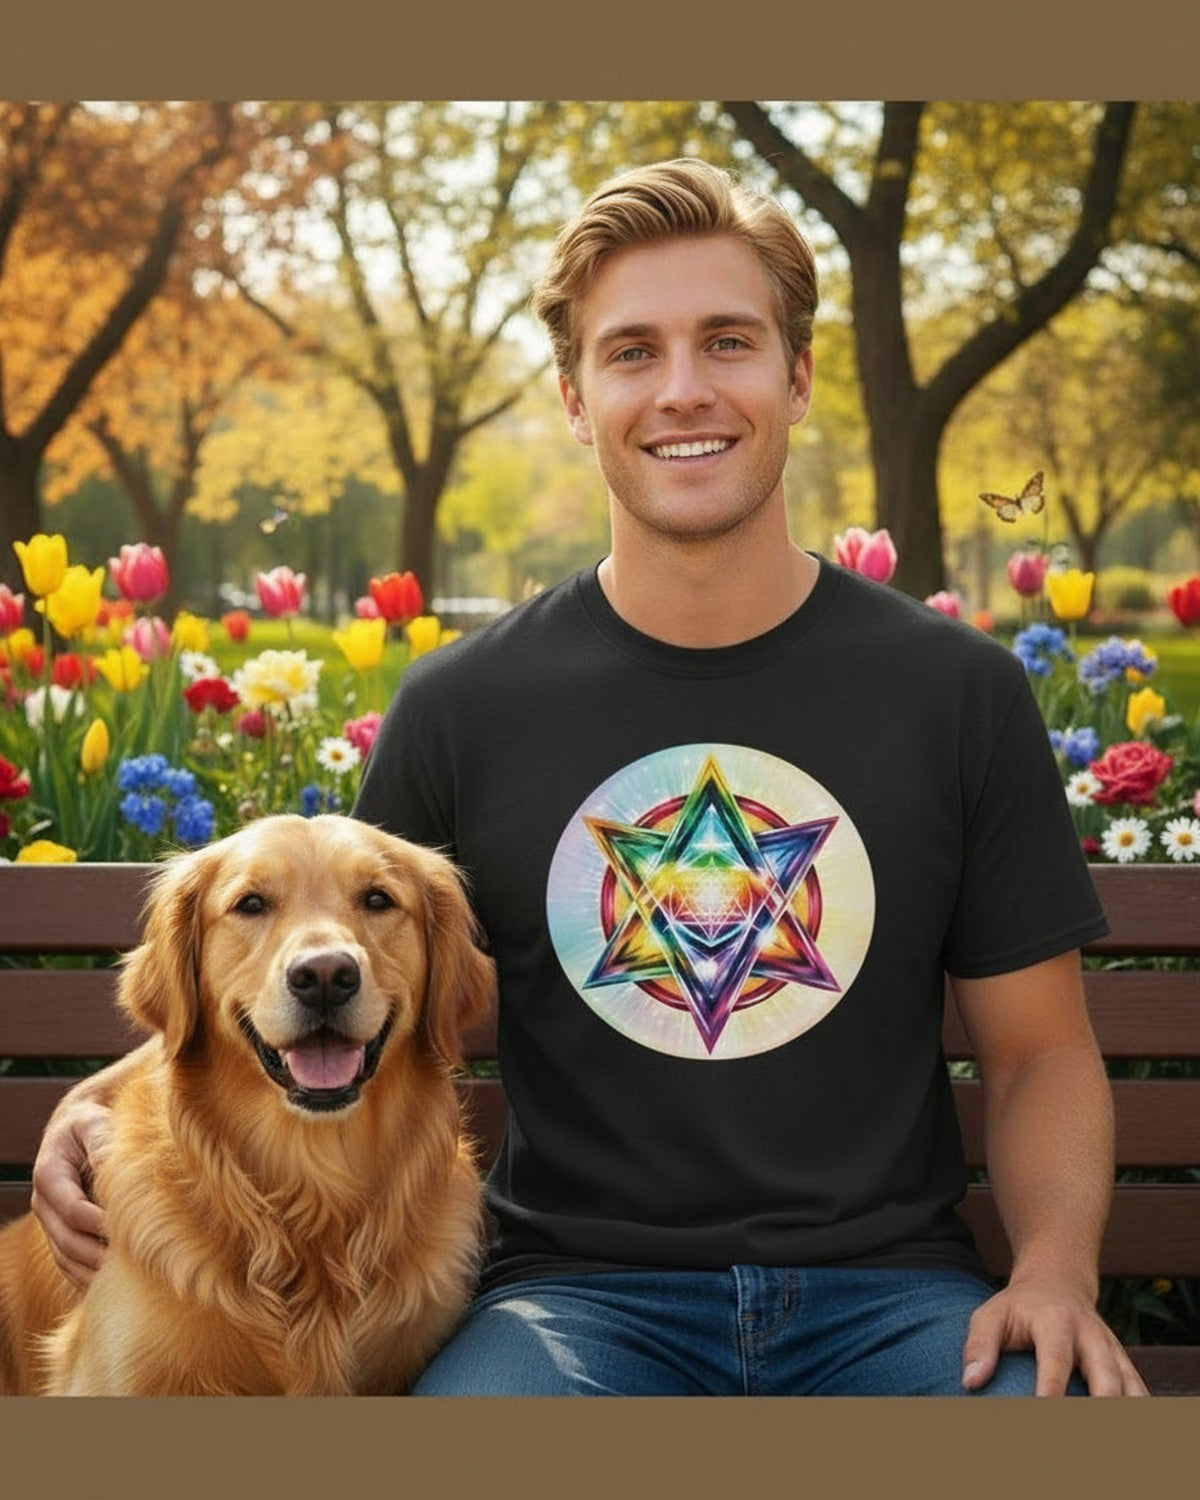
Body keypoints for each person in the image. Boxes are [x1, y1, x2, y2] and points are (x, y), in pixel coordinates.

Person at [33, 158, 1148, 1397]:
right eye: (632, 353)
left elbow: (1041, 1053)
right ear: (575, 398)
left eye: (728, 341)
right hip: (573, 1308)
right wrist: (96, 1102)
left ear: (798, 376)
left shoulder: (958, 692)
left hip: (897, 1303)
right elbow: (332, 979)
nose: (683, 390)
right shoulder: (462, 704)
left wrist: (1055, 1275)